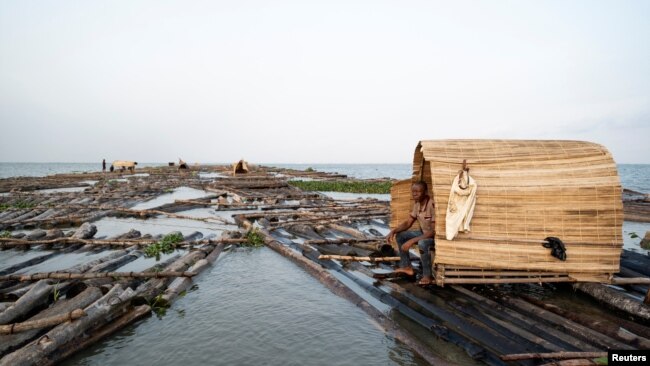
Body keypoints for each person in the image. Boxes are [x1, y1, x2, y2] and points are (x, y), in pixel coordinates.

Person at [386, 181, 435, 286]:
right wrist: (393, 231)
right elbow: (408, 223)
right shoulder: (417, 204)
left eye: (418, 191)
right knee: (401, 236)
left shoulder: (432, 204)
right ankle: (407, 267)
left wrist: (412, 241)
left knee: (422, 243)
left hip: (433, 237)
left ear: (425, 192)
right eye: (413, 192)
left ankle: (427, 275)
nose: (415, 194)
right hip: (423, 233)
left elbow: (433, 231)